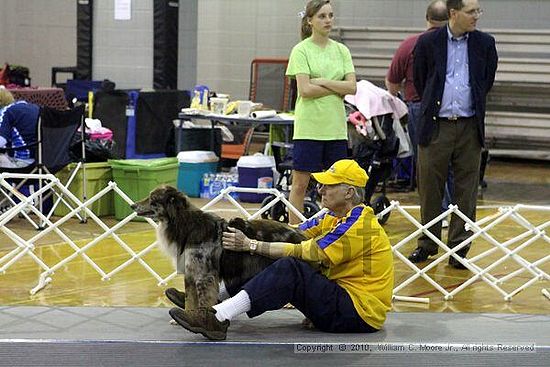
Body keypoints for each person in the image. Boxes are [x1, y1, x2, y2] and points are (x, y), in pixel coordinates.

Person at [169, 159, 394, 340]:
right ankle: (217, 300)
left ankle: (217, 317)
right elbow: (291, 231)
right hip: (341, 300)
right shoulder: (333, 218)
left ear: (349, 192)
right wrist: (250, 231)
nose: (321, 189)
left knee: (288, 265)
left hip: (358, 314)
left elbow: (309, 252)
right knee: (271, 254)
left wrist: (252, 244)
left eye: (329, 185)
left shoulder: (360, 225)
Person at [409, 0, 498, 268]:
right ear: (453, 13)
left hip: (470, 126)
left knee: (466, 189)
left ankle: (459, 248)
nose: (476, 17)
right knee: (430, 188)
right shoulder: (428, 43)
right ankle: (427, 244)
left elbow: (487, 80)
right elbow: (422, 80)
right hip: (437, 125)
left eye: (478, 11)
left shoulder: (485, 43)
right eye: (471, 12)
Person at [285, 0, 357, 224]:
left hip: (335, 129)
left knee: (339, 185)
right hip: (309, 128)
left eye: (330, 15)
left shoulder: (341, 50)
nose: (328, 20)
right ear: (310, 21)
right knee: (300, 184)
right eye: (322, 16)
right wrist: (337, 86)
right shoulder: (301, 50)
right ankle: (293, 234)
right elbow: (305, 90)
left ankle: (340, 230)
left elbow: (352, 87)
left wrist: (324, 81)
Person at [385, 0, 454, 227]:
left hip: (420, 108)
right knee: (453, 161)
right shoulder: (455, 44)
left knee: (428, 161)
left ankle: (438, 212)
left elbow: (393, 82)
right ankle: (455, 210)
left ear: (427, 18)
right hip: (452, 109)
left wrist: (403, 101)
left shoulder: (411, 44)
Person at [0, 88, 39, 169]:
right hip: (39, 163)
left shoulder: (6, 111)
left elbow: (1, 141)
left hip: (19, 163)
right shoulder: (35, 108)